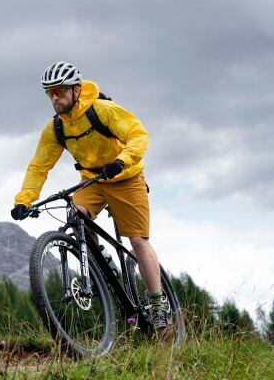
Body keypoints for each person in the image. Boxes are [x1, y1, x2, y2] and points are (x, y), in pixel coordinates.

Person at [10, 61, 170, 331]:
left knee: (137, 241)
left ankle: (158, 306)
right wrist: (24, 200)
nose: (55, 97)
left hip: (126, 176)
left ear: (75, 89)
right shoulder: (56, 128)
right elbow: (39, 166)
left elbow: (138, 134)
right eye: (50, 93)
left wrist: (122, 160)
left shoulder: (102, 110)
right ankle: (99, 259)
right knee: (77, 216)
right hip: (92, 180)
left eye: (59, 90)